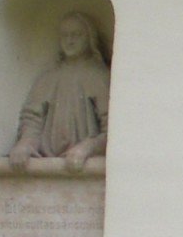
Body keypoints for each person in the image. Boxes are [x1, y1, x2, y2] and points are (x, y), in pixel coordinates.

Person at [7, 12, 111, 172]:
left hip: (83, 163)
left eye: (76, 35)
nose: (70, 41)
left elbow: (110, 128)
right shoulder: (48, 78)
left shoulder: (98, 76)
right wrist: (25, 144)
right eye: (65, 35)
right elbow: (32, 119)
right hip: (48, 160)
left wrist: (87, 147)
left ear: (89, 38)